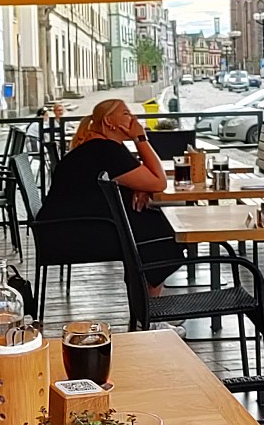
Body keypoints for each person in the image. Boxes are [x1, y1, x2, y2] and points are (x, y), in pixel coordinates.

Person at [37, 99, 185, 293]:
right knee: (160, 233)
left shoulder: (102, 146)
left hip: (61, 229)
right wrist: (141, 139)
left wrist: (140, 187)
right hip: (71, 234)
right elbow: (159, 182)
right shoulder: (105, 150)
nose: (133, 118)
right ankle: (148, 305)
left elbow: (144, 178)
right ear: (109, 121)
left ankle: (145, 302)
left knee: (156, 224)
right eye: (126, 114)